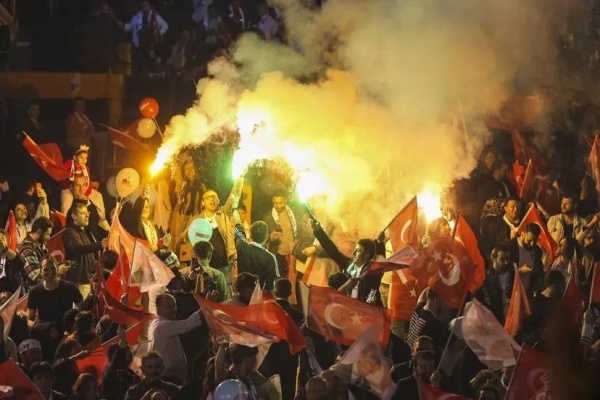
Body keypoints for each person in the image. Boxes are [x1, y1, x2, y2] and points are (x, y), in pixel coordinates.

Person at [309, 217, 385, 305]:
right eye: (355, 249)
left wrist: (380, 244)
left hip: (368, 314)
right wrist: (318, 230)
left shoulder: (372, 272)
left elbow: (382, 264)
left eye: (358, 251)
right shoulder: (350, 265)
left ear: (366, 256)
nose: (353, 253)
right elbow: (332, 251)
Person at [149, 293, 203, 384]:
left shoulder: (160, 324)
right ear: (158, 308)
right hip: (168, 379)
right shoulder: (162, 325)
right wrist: (206, 306)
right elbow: (188, 324)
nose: (173, 310)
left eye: (174, 306)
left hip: (172, 378)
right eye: (168, 307)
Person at [60, 145, 110, 232]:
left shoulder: (86, 168)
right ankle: (61, 226)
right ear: (75, 157)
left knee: (98, 196)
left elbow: (88, 183)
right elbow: (60, 172)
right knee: (65, 206)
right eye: (81, 157)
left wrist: (85, 195)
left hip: (83, 190)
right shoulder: (69, 164)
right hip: (68, 189)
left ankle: (102, 219)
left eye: (86, 158)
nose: (84, 160)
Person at [63, 202, 107, 298]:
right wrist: (99, 245)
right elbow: (77, 249)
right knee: (82, 311)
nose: (87, 215)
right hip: (79, 282)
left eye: (87, 213)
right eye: (83, 213)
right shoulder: (69, 232)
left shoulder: (86, 233)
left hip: (89, 281)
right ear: (74, 216)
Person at [27, 255, 83, 330]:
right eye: (45, 269)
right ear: (41, 272)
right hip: (45, 332)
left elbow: (82, 310)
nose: (50, 272)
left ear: (57, 268)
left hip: (66, 331)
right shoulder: (35, 292)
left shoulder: (70, 287)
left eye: (53, 268)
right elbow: (30, 319)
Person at [118, 0, 169, 76]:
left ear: (149, 6)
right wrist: (122, 25)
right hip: (138, 47)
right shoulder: (137, 17)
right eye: (142, 6)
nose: (144, 8)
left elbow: (165, 26)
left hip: (150, 47)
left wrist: (158, 34)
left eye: (145, 6)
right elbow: (129, 27)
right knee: (137, 68)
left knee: (148, 68)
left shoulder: (155, 16)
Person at [233, 208, 279, 291]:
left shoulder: (242, 248)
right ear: (267, 236)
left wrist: (235, 212)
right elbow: (273, 283)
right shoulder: (270, 257)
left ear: (250, 235)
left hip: (242, 293)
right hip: (259, 297)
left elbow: (239, 233)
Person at [263, 190, 297, 278]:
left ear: (285, 200)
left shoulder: (293, 214)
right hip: (278, 255)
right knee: (280, 282)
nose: (278, 206)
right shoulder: (268, 217)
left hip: (293, 254)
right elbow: (262, 237)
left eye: (281, 203)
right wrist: (271, 237)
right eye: (275, 203)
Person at [19, 217, 59, 292]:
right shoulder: (27, 249)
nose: (49, 238)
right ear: (40, 232)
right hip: (34, 294)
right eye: (47, 234)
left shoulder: (40, 246)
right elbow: (35, 277)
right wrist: (58, 271)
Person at [0, 228, 24, 293]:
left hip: (15, 295)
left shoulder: (11, 255)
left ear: (7, 242)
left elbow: (21, 264)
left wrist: (5, 249)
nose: (1, 242)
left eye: (2, 239)